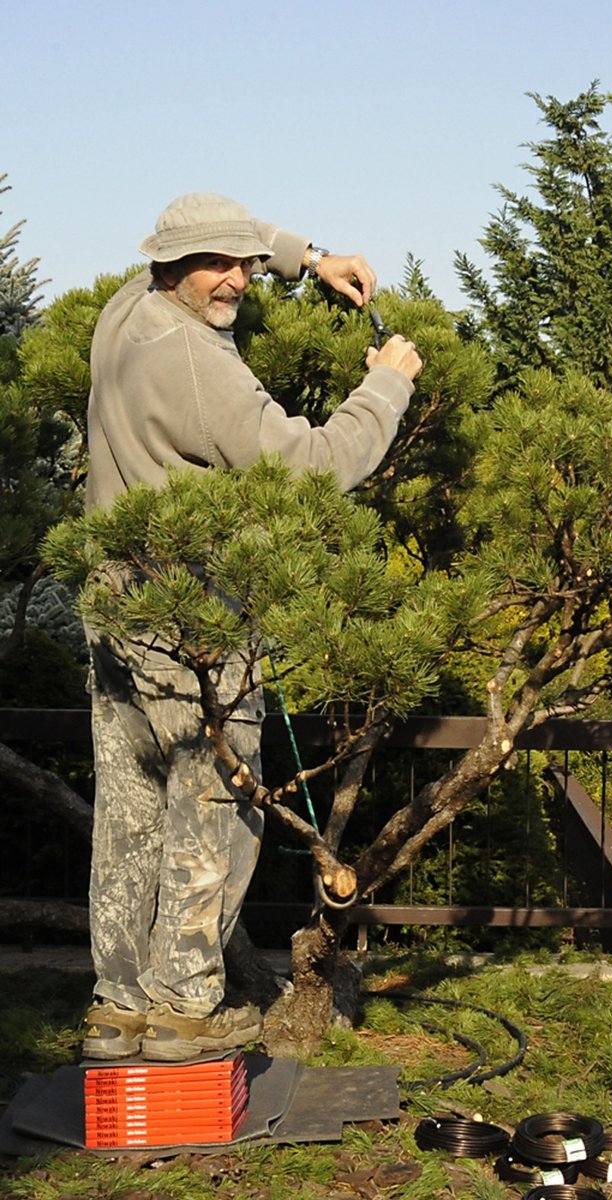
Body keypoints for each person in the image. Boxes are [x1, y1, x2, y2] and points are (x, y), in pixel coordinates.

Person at [81, 192, 422, 1062]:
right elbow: (313, 465)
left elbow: (224, 251)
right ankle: (187, 1009)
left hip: (118, 614)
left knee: (128, 816)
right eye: (216, 265)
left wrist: (306, 258)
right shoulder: (199, 364)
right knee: (217, 813)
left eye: (240, 260)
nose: (235, 278)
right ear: (172, 267)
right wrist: (385, 385)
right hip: (197, 631)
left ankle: (118, 1007)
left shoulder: (128, 312)